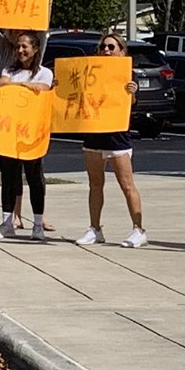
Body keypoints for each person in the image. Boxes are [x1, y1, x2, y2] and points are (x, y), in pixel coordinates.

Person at [0, 0, 55, 231]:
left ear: (35, 50)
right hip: (8, 129)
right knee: (9, 175)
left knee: (35, 176)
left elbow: (42, 90)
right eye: (18, 45)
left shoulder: (43, 71)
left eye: (25, 46)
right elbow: (2, 86)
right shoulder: (7, 59)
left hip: (32, 132)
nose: (20, 48)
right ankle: (9, 220)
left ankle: (37, 221)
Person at [75, 32, 146, 248]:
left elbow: (130, 102)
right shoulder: (89, 73)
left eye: (111, 47)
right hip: (93, 135)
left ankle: (138, 229)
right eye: (103, 47)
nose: (106, 50)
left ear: (122, 51)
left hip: (117, 138)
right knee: (95, 184)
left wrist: (132, 92)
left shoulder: (126, 74)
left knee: (127, 184)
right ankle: (95, 228)